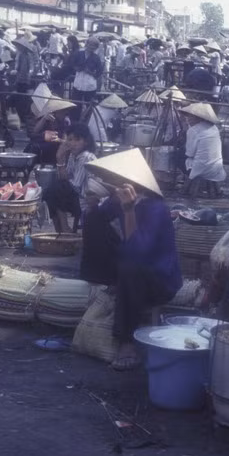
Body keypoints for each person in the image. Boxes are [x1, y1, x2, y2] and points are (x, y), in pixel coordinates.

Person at [80, 149, 183, 371]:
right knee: (94, 221)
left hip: (159, 279)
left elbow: (138, 252)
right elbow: (98, 223)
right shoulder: (117, 200)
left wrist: (128, 211)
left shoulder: (156, 209)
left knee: (130, 266)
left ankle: (126, 340)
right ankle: (109, 281)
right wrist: (92, 207)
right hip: (132, 264)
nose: (113, 184)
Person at [43, 123, 98, 234]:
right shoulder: (74, 155)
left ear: (86, 142)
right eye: (70, 140)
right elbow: (65, 177)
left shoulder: (87, 157)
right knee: (49, 193)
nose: (72, 143)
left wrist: (60, 161)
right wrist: (60, 159)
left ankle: (65, 230)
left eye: (76, 140)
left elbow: (75, 186)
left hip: (86, 201)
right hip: (74, 197)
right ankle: (61, 232)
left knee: (56, 190)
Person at [179, 102, 226, 198]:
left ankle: (187, 185)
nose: (188, 119)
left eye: (191, 117)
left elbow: (190, 153)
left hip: (201, 167)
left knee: (177, 156)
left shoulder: (193, 130)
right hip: (217, 166)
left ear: (198, 118)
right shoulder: (214, 128)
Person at [26, 96, 77, 166]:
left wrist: (58, 140)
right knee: (33, 147)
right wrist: (44, 119)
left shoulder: (65, 122)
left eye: (64, 111)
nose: (64, 113)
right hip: (43, 145)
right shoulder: (47, 120)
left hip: (56, 147)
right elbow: (35, 131)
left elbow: (66, 141)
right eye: (62, 111)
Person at [71, 37, 105, 110]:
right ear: (87, 44)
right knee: (75, 104)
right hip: (78, 83)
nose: (92, 47)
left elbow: (99, 72)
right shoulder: (78, 54)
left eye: (94, 46)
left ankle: (88, 120)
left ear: (96, 47)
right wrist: (77, 69)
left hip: (90, 84)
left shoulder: (96, 58)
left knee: (89, 105)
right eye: (90, 44)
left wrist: (90, 72)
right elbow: (72, 65)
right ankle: (74, 119)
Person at [11, 37, 38, 121]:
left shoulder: (26, 55)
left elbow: (31, 67)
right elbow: (18, 67)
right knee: (20, 98)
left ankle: (22, 116)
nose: (18, 47)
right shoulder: (20, 54)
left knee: (22, 99)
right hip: (20, 78)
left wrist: (29, 74)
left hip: (24, 79)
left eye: (19, 46)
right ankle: (21, 115)